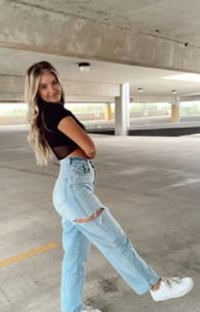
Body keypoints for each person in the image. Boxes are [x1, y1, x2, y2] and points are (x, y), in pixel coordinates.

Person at [25, 61, 194, 312]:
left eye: (54, 82)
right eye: (43, 87)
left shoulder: (46, 115)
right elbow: (90, 149)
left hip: (68, 188)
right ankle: (157, 286)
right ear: (35, 92)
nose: (52, 90)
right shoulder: (57, 113)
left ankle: (72, 309)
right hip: (74, 188)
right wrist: (82, 152)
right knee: (115, 240)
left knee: (75, 257)